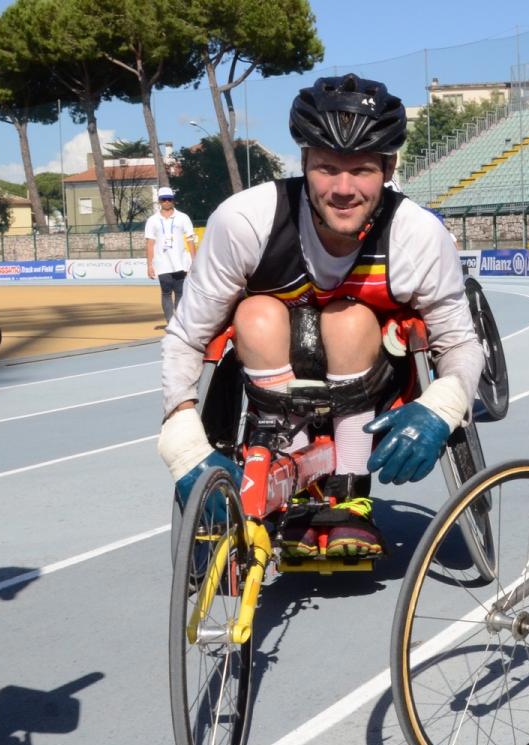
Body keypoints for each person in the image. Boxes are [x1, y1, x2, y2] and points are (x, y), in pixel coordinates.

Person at [156, 74, 484, 558]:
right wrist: (183, 442)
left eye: (363, 171)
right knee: (256, 312)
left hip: (376, 382)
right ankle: (293, 474)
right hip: (271, 370)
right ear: (304, 164)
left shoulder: (417, 234)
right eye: (328, 168)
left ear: (389, 167)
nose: (344, 189)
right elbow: (187, 337)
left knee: (348, 317)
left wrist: (443, 407)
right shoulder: (246, 220)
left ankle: (349, 492)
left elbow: (460, 343)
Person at [145, 187, 198, 324]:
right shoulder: (152, 220)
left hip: (181, 262)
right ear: (159, 201)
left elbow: (190, 239)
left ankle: (179, 320)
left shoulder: (183, 217)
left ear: (173, 200)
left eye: (169, 199)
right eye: (164, 199)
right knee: (166, 292)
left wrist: (194, 259)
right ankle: (170, 321)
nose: (167, 202)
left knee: (180, 292)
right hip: (162, 263)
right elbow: (150, 243)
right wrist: (149, 265)